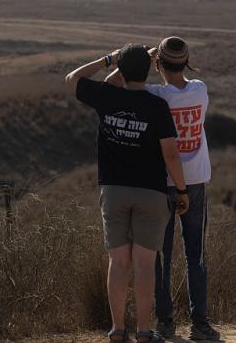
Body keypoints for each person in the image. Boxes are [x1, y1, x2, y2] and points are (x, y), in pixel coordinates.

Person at [65, 44, 190, 343]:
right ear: (149, 70)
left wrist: (109, 59)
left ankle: (118, 330)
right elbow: (170, 155)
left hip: (114, 191)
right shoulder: (157, 106)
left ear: (120, 71)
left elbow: (72, 79)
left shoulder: (107, 96)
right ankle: (144, 331)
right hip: (151, 192)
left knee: (118, 263)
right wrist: (182, 190)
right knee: (145, 265)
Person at [105, 37, 220, 341]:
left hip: (160, 183)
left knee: (159, 256)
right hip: (195, 181)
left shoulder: (155, 95)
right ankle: (200, 323)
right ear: (186, 63)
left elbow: (113, 84)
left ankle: (165, 321)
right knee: (196, 255)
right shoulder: (200, 90)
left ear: (158, 65)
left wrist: (140, 57)